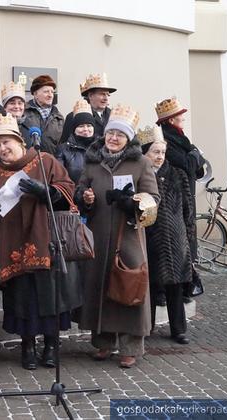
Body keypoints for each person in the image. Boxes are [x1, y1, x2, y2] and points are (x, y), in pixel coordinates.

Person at [0, 113, 81, 370]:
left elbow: (68, 189)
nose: (3, 149)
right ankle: (27, 346)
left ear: (19, 141)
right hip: (12, 241)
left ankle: (50, 345)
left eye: (7, 142)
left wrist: (46, 191)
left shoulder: (43, 160)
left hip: (44, 239)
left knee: (48, 296)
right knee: (22, 297)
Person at [75, 105, 160, 369]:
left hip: (129, 235)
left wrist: (130, 202)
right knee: (101, 285)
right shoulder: (92, 160)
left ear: (128, 138)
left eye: (119, 135)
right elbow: (80, 191)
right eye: (110, 133)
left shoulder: (141, 163)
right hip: (99, 234)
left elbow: (154, 199)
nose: (113, 138)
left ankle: (130, 347)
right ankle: (103, 343)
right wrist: (85, 198)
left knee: (128, 285)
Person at [139, 125, 193, 345]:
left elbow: (188, 211)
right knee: (149, 286)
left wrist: (187, 238)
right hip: (150, 238)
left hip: (175, 238)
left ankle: (178, 329)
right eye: (155, 152)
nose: (160, 157)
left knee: (175, 286)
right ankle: (147, 326)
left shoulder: (177, 175)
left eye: (162, 152)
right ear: (145, 153)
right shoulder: (140, 176)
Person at [155, 97, 205, 301]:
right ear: (171, 121)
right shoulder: (167, 140)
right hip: (174, 197)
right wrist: (195, 154)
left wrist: (194, 157)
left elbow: (198, 169)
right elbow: (186, 163)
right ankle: (166, 291)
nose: (183, 120)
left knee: (185, 244)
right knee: (172, 244)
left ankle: (184, 286)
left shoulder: (181, 139)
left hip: (187, 196)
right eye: (180, 118)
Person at [60, 73, 116, 143]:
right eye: (102, 94)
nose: (106, 98)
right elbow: (65, 144)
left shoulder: (113, 116)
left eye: (108, 95)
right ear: (90, 96)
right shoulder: (74, 116)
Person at [55, 99, 96, 183]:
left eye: (89, 125)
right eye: (81, 126)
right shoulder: (63, 150)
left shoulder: (102, 147)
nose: (86, 129)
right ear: (74, 129)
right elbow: (59, 179)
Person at [23, 75, 64, 154]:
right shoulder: (24, 112)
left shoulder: (59, 117)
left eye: (52, 92)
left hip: (51, 162)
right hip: (29, 162)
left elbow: (62, 145)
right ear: (35, 94)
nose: (50, 95)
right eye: (46, 92)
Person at [1, 81, 33, 148]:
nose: (16, 106)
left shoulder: (31, 127)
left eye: (20, 103)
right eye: (12, 103)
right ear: (5, 107)